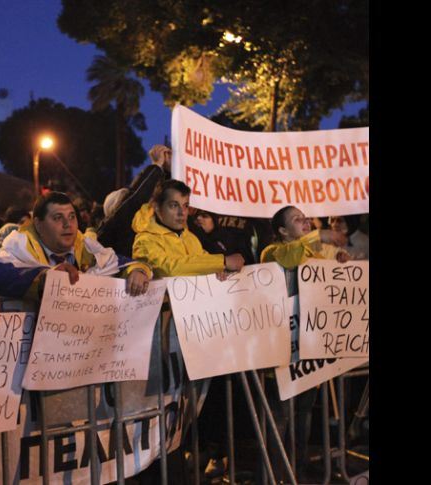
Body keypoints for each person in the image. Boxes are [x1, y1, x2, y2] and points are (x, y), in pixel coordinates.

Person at [260, 205, 349, 480]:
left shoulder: (314, 254)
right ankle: (275, 472)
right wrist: (320, 234)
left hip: (309, 347)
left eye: (305, 218)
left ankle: (298, 466)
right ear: (282, 231)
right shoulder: (272, 252)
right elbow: (289, 257)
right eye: (297, 220)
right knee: (281, 414)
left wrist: (339, 264)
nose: (305, 222)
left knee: (304, 411)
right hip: (281, 349)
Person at [0, 192, 152, 302]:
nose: (68, 224)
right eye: (58, 217)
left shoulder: (86, 245)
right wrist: (46, 278)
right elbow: (0, 273)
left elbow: (117, 262)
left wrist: (137, 270)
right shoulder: (18, 244)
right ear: (38, 224)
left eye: (72, 217)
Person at [132, 179, 245, 278]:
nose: (182, 213)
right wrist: (222, 262)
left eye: (186, 206)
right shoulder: (145, 240)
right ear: (157, 208)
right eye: (174, 205)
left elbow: (204, 262)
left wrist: (218, 271)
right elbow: (167, 269)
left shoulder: (190, 238)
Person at [97, 144, 171, 258]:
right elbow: (137, 199)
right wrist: (156, 166)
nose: (128, 199)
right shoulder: (114, 227)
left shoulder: (142, 225)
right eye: (124, 199)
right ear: (113, 210)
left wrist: (168, 171)